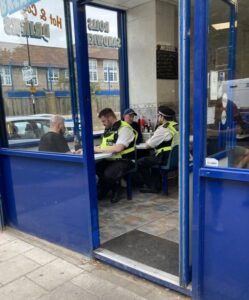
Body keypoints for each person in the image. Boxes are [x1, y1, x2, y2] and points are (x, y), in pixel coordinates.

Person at [94, 108, 137, 203]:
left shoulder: (124, 128)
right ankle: (105, 189)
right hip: (111, 159)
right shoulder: (109, 129)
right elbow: (104, 145)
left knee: (108, 173)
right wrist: (92, 149)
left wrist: (99, 150)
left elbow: (118, 148)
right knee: (94, 168)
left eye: (104, 121)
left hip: (125, 160)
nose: (103, 123)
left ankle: (115, 189)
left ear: (110, 117)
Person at [137, 105, 179, 193]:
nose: (158, 117)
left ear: (162, 117)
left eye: (158, 116)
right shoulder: (176, 126)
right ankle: (157, 184)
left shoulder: (163, 129)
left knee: (140, 162)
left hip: (164, 158)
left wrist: (147, 141)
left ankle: (151, 186)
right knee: (151, 158)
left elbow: (148, 145)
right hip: (174, 158)